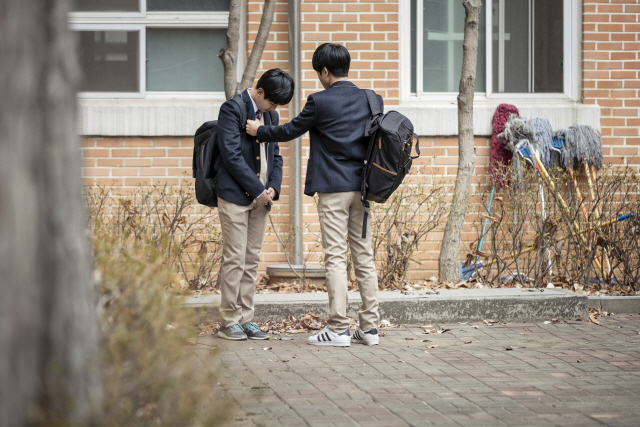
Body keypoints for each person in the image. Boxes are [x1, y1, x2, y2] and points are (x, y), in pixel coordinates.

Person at [246, 44, 382, 347]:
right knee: (364, 256)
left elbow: (289, 130)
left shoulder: (320, 101)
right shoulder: (371, 99)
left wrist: (259, 131)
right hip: (363, 189)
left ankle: (338, 329)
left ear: (324, 71)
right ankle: (370, 329)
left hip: (333, 189)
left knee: (336, 257)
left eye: (318, 73)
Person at [216, 69, 294, 341]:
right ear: (259, 92)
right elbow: (231, 156)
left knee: (251, 261)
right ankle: (229, 320)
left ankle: (246, 319)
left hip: (261, 199)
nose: (274, 109)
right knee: (235, 259)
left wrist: (273, 186)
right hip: (235, 197)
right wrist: (258, 189)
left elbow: (276, 155)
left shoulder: (270, 115)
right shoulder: (232, 109)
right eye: (272, 103)